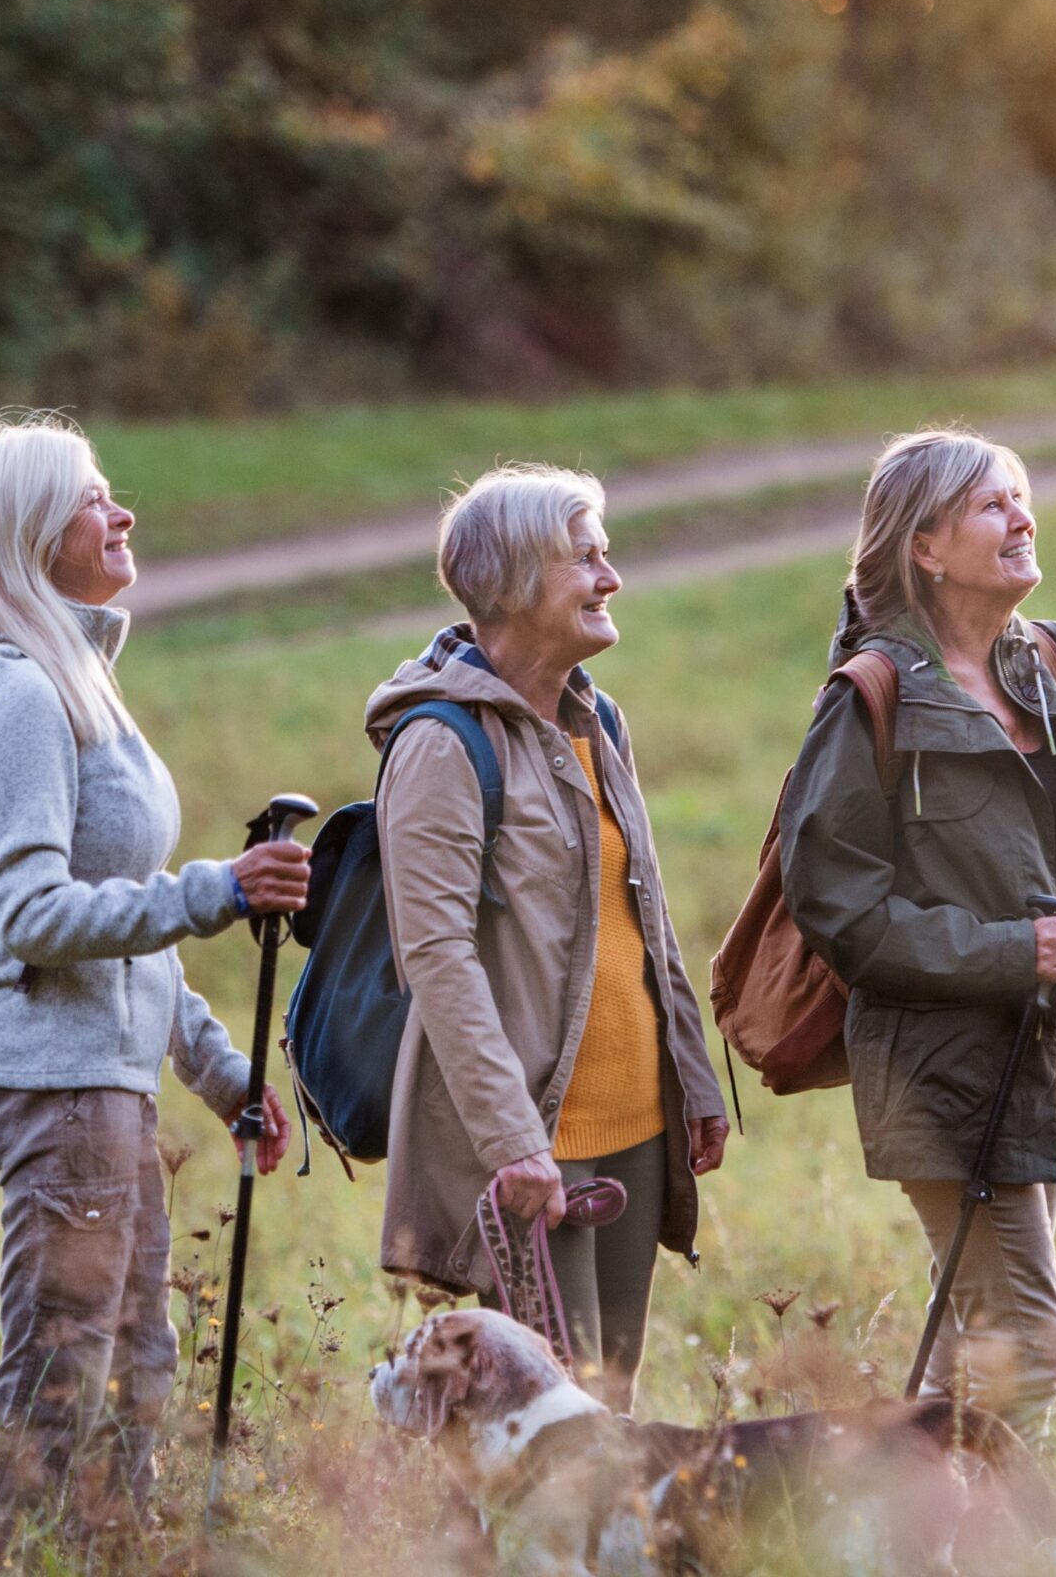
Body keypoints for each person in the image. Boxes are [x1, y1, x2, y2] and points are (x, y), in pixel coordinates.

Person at [0, 411, 312, 1540]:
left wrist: (221, 1075)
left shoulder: (76, 676)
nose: (121, 513)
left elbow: (133, 942)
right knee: (56, 1387)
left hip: (107, 1087)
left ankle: (108, 1561)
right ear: (28, 530)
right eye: (91, 498)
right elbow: (35, 913)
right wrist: (215, 890)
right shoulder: (14, 691)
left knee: (133, 1376)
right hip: (58, 1089)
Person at [776, 428, 1056, 1436]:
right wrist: (1011, 955)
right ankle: (1004, 1541)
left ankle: (915, 1535)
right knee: (1026, 1337)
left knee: (979, 1341)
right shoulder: (872, 696)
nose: (1023, 518)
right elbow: (837, 907)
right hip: (935, 1066)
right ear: (926, 546)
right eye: (995, 504)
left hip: (1048, 1056)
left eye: (1023, 497)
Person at [368, 464, 730, 1412]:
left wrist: (693, 1079)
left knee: (612, 1410)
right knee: (540, 1425)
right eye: (586, 558)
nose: (610, 578)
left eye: (605, 555)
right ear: (517, 582)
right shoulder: (441, 745)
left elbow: (643, 913)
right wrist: (512, 1140)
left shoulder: (597, 718)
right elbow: (435, 958)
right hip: (537, 1143)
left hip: (638, 1132)